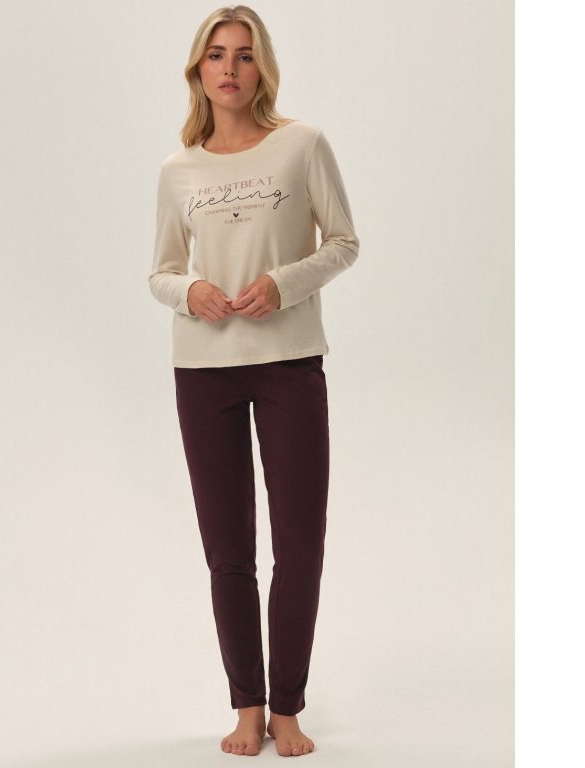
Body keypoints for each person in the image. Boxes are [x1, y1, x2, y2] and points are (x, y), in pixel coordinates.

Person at [148, 5, 359, 758]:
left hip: (289, 362)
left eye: (243, 55)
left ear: (261, 66)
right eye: (216, 55)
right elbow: (161, 271)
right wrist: (190, 292)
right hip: (203, 371)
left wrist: (282, 283)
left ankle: (287, 708)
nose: (229, 68)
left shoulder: (302, 145)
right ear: (198, 70)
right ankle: (247, 706)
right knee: (228, 551)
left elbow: (344, 241)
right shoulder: (179, 170)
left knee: (300, 544)